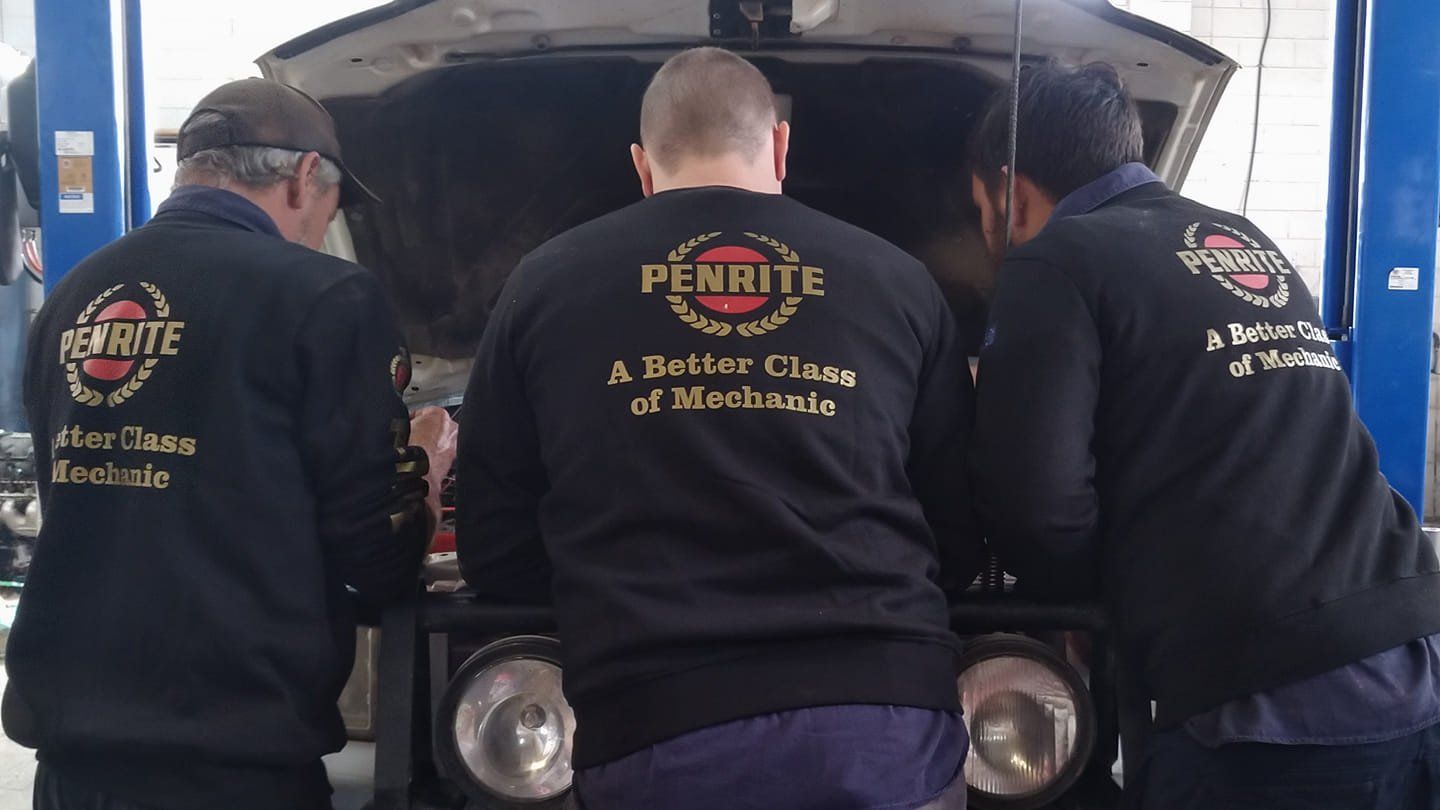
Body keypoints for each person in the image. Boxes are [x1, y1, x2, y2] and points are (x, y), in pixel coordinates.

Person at [457, 47, 981, 810]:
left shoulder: (545, 283)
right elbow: (958, 531)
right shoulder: (898, 279)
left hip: (655, 725)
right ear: (780, 145)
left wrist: (602, 595)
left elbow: (494, 544)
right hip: (888, 723)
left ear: (642, 165)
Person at [968, 62, 1440, 809]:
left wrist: (1079, 610)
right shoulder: (1243, 239)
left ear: (1011, 191)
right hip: (1412, 655)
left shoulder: (1058, 261)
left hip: (1269, 710)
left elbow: (1037, 502)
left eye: (986, 215)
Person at [6, 78, 459, 810]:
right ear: (306, 177)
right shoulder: (326, 298)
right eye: (331, 210)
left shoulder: (73, 297)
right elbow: (378, 556)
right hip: (227, 765)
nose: (320, 231)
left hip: (70, 766)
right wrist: (424, 474)